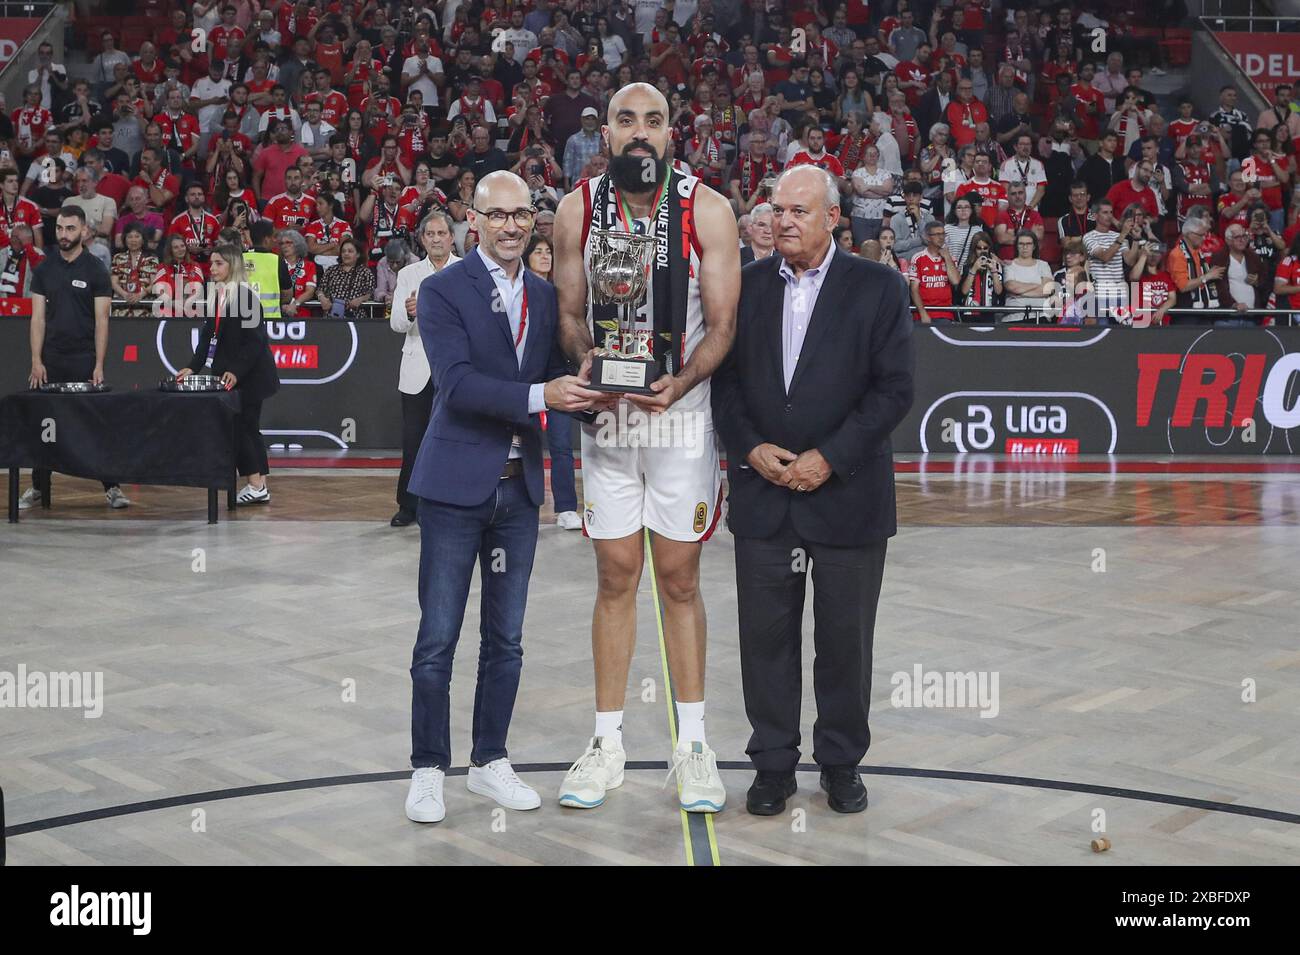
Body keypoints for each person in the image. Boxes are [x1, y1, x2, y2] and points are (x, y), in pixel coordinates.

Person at [552, 83, 740, 813]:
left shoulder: (708, 208)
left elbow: (722, 325)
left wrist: (682, 380)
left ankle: (692, 743)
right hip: (610, 418)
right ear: (605, 133)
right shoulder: (578, 207)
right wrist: (587, 361)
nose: (639, 133)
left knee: (681, 579)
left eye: (652, 121)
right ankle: (606, 741)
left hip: (678, 418)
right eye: (626, 120)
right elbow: (570, 317)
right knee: (613, 574)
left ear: (671, 133)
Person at [711, 164, 914, 816]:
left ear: (833, 216)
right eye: (777, 209)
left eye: (799, 210)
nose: (785, 221)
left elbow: (894, 390)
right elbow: (726, 385)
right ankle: (772, 763)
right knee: (765, 640)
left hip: (847, 496)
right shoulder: (743, 287)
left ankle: (840, 761)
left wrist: (830, 457)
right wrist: (749, 446)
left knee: (845, 642)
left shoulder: (879, 288)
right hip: (765, 497)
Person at [403, 171, 601, 824]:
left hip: (518, 494)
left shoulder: (544, 297)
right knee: (438, 637)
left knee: (506, 638)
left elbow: (547, 374)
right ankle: (428, 768)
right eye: (499, 214)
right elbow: (457, 386)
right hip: (455, 489)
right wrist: (545, 396)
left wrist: (599, 384)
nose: (513, 225)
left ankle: (490, 760)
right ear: (474, 219)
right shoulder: (440, 291)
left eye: (523, 214)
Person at [22, 206, 127, 510]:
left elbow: (102, 321)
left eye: (70, 229)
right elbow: (37, 320)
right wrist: (35, 360)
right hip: (51, 360)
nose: (63, 235)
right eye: (59, 229)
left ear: (84, 231)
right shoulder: (44, 270)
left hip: (84, 359)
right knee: (45, 425)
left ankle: (112, 488)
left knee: (95, 424)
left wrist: (98, 364)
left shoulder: (96, 269)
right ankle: (40, 486)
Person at [175, 244, 280, 504]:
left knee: (243, 429)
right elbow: (207, 336)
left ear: (232, 265)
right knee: (248, 428)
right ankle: (260, 485)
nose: (212, 269)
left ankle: (256, 485)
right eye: (211, 263)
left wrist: (235, 370)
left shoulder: (244, 297)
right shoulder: (218, 295)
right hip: (237, 374)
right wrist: (193, 365)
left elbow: (255, 341)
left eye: (219, 263)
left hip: (251, 377)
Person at [389, 212, 461, 528]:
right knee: (414, 439)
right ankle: (408, 505)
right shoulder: (408, 274)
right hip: (418, 369)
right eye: (429, 233)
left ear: (451, 237)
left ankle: (454, 501)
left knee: (456, 438)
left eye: (441, 233)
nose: (435, 238)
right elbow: (396, 324)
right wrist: (409, 312)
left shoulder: (466, 271)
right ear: (422, 239)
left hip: (455, 369)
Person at [523, 232, 580, 530]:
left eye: (548, 252)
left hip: (557, 372)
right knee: (524, 442)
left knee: (561, 444)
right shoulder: (517, 290)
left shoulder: (561, 293)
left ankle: (567, 507)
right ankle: (524, 506)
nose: (545, 256)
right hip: (526, 376)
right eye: (538, 252)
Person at [909, 219, 960, 323]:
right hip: (923, 314)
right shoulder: (918, 258)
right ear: (928, 237)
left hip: (945, 313)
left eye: (943, 234)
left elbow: (955, 281)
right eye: (937, 234)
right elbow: (914, 289)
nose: (941, 237)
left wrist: (947, 257)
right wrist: (923, 313)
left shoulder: (950, 258)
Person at [315, 237, 376, 320]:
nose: (346, 254)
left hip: (356, 318)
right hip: (331, 318)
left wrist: (360, 299)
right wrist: (322, 298)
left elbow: (371, 293)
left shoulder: (365, 272)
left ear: (358, 254)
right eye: (343, 251)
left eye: (350, 251)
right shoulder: (331, 270)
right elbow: (320, 289)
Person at [1001, 231, 1055, 323]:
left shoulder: (1043, 265)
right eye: (1021, 244)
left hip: (1040, 316)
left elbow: (1047, 289)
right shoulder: (1009, 265)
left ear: (1034, 246)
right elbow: (1012, 287)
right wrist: (1037, 285)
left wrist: (1019, 293)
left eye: (1028, 244)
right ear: (1016, 246)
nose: (1025, 247)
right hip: (1014, 317)